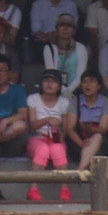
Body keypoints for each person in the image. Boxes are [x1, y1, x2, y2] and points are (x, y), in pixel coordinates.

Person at [23, 69, 77, 203]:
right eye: (46, 81)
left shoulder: (65, 102)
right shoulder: (33, 99)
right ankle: (33, 189)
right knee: (43, 149)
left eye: (53, 81)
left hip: (56, 138)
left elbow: (65, 132)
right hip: (37, 137)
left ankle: (65, 189)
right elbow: (33, 125)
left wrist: (57, 129)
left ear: (59, 86)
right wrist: (47, 120)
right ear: (41, 83)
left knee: (57, 149)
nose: (49, 84)